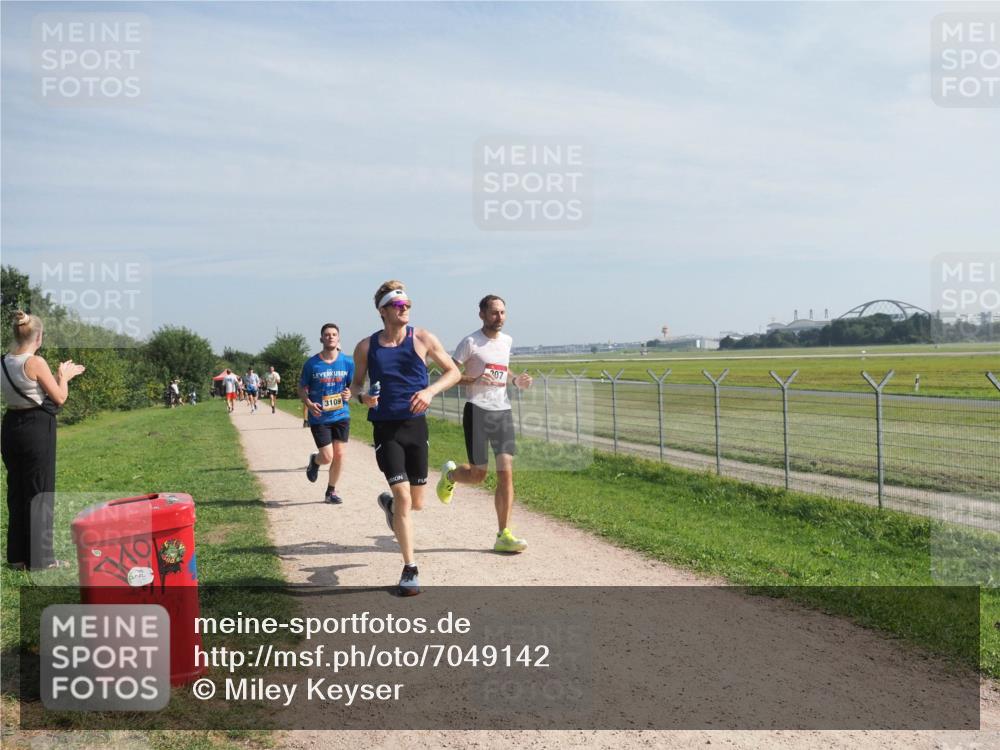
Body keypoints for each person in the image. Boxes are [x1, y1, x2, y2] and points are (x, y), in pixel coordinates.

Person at [350, 281, 460, 596]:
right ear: (383, 311)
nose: (405, 309)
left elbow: (452, 371)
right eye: (399, 305)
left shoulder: (423, 338)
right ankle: (410, 569)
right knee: (403, 498)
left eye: (408, 304)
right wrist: (363, 399)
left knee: (417, 503)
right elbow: (356, 385)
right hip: (386, 429)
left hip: (416, 427)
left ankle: (391, 509)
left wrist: (429, 390)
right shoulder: (366, 347)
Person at [436, 295, 533, 552]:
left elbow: (503, 370)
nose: (499, 317)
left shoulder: (507, 341)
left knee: (506, 471)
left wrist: (515, 381)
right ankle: (451, 475)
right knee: (479, 475)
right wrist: (476, 379)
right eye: (493, 313)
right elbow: (451, 375)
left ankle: (504, 534)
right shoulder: (470, 343)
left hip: (502, 411)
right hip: (477, 411)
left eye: (502, 312)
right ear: (481, 314)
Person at [1, 311, 85, 570]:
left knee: (16, 491)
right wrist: (65, 376)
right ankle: (42, 560)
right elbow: (59, 398)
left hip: (11, 427)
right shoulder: (35, 362)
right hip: (36, 429)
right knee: (40, 492)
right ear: (38, 337)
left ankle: (16, 557)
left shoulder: (3, 361)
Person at [299, 324, 354, 504]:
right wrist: (308, 403)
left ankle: (331, 491)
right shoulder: (312, 364)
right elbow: (301, 388)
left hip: (341, 414)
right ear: (321, 339)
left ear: (338, 338)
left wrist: (349, 393)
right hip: (320, 416)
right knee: (327, 456)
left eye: (334, 334)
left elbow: (353, 385)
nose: (330, 337)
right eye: (327, 335)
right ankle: (315, 461)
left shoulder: (347, 362)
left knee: (339, 455)